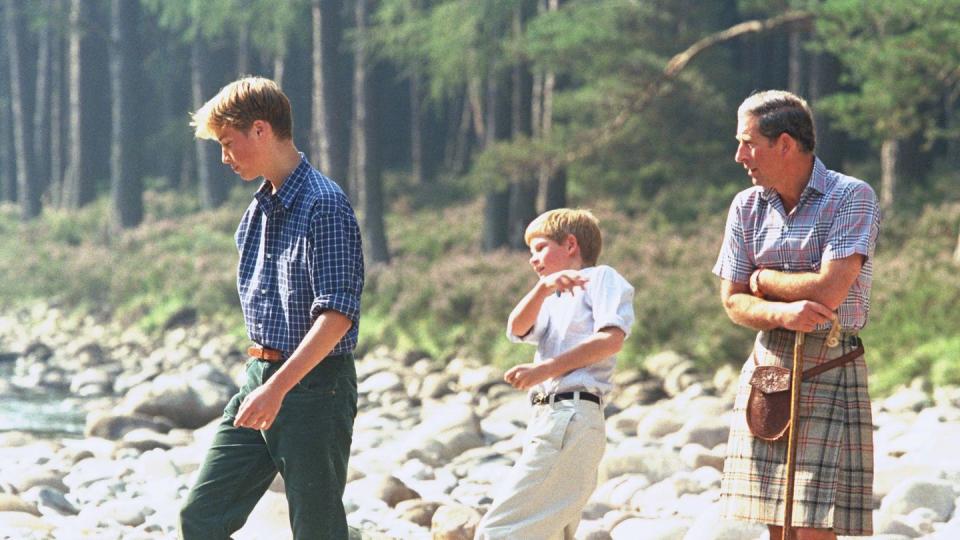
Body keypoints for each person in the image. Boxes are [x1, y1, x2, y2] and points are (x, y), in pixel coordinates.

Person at [178, 76, 364, 539]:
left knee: (317, 530)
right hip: (259, 379)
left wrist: (278, 389)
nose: (224, 157)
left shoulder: (326, 205)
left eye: (227, 142)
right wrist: (264, 386)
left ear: (260, 129)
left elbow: (337, 316)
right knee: (201, 517)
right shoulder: (258, 209)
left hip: (315, 387)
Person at [713, 90, 880, 539]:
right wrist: (785, 314)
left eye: (748, 143)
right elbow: (732, 300)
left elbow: (830, 288)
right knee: (778, 526)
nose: (738, 156)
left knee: (812, 527)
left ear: (784, 144)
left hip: (830, 362)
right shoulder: (745, 207)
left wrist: (765, 280)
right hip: (769, 367)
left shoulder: (851, 196)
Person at [476, 208, 635, 540]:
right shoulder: (552, 296)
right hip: (549, 417)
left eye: (540, 248)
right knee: (551, 533)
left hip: (572, 414)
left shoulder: (601, 277)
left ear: (571, 244)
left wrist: (545, 369)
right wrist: (542, 289)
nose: (533, 260)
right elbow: (516, 328)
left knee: (498, 530)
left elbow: (611, 339)